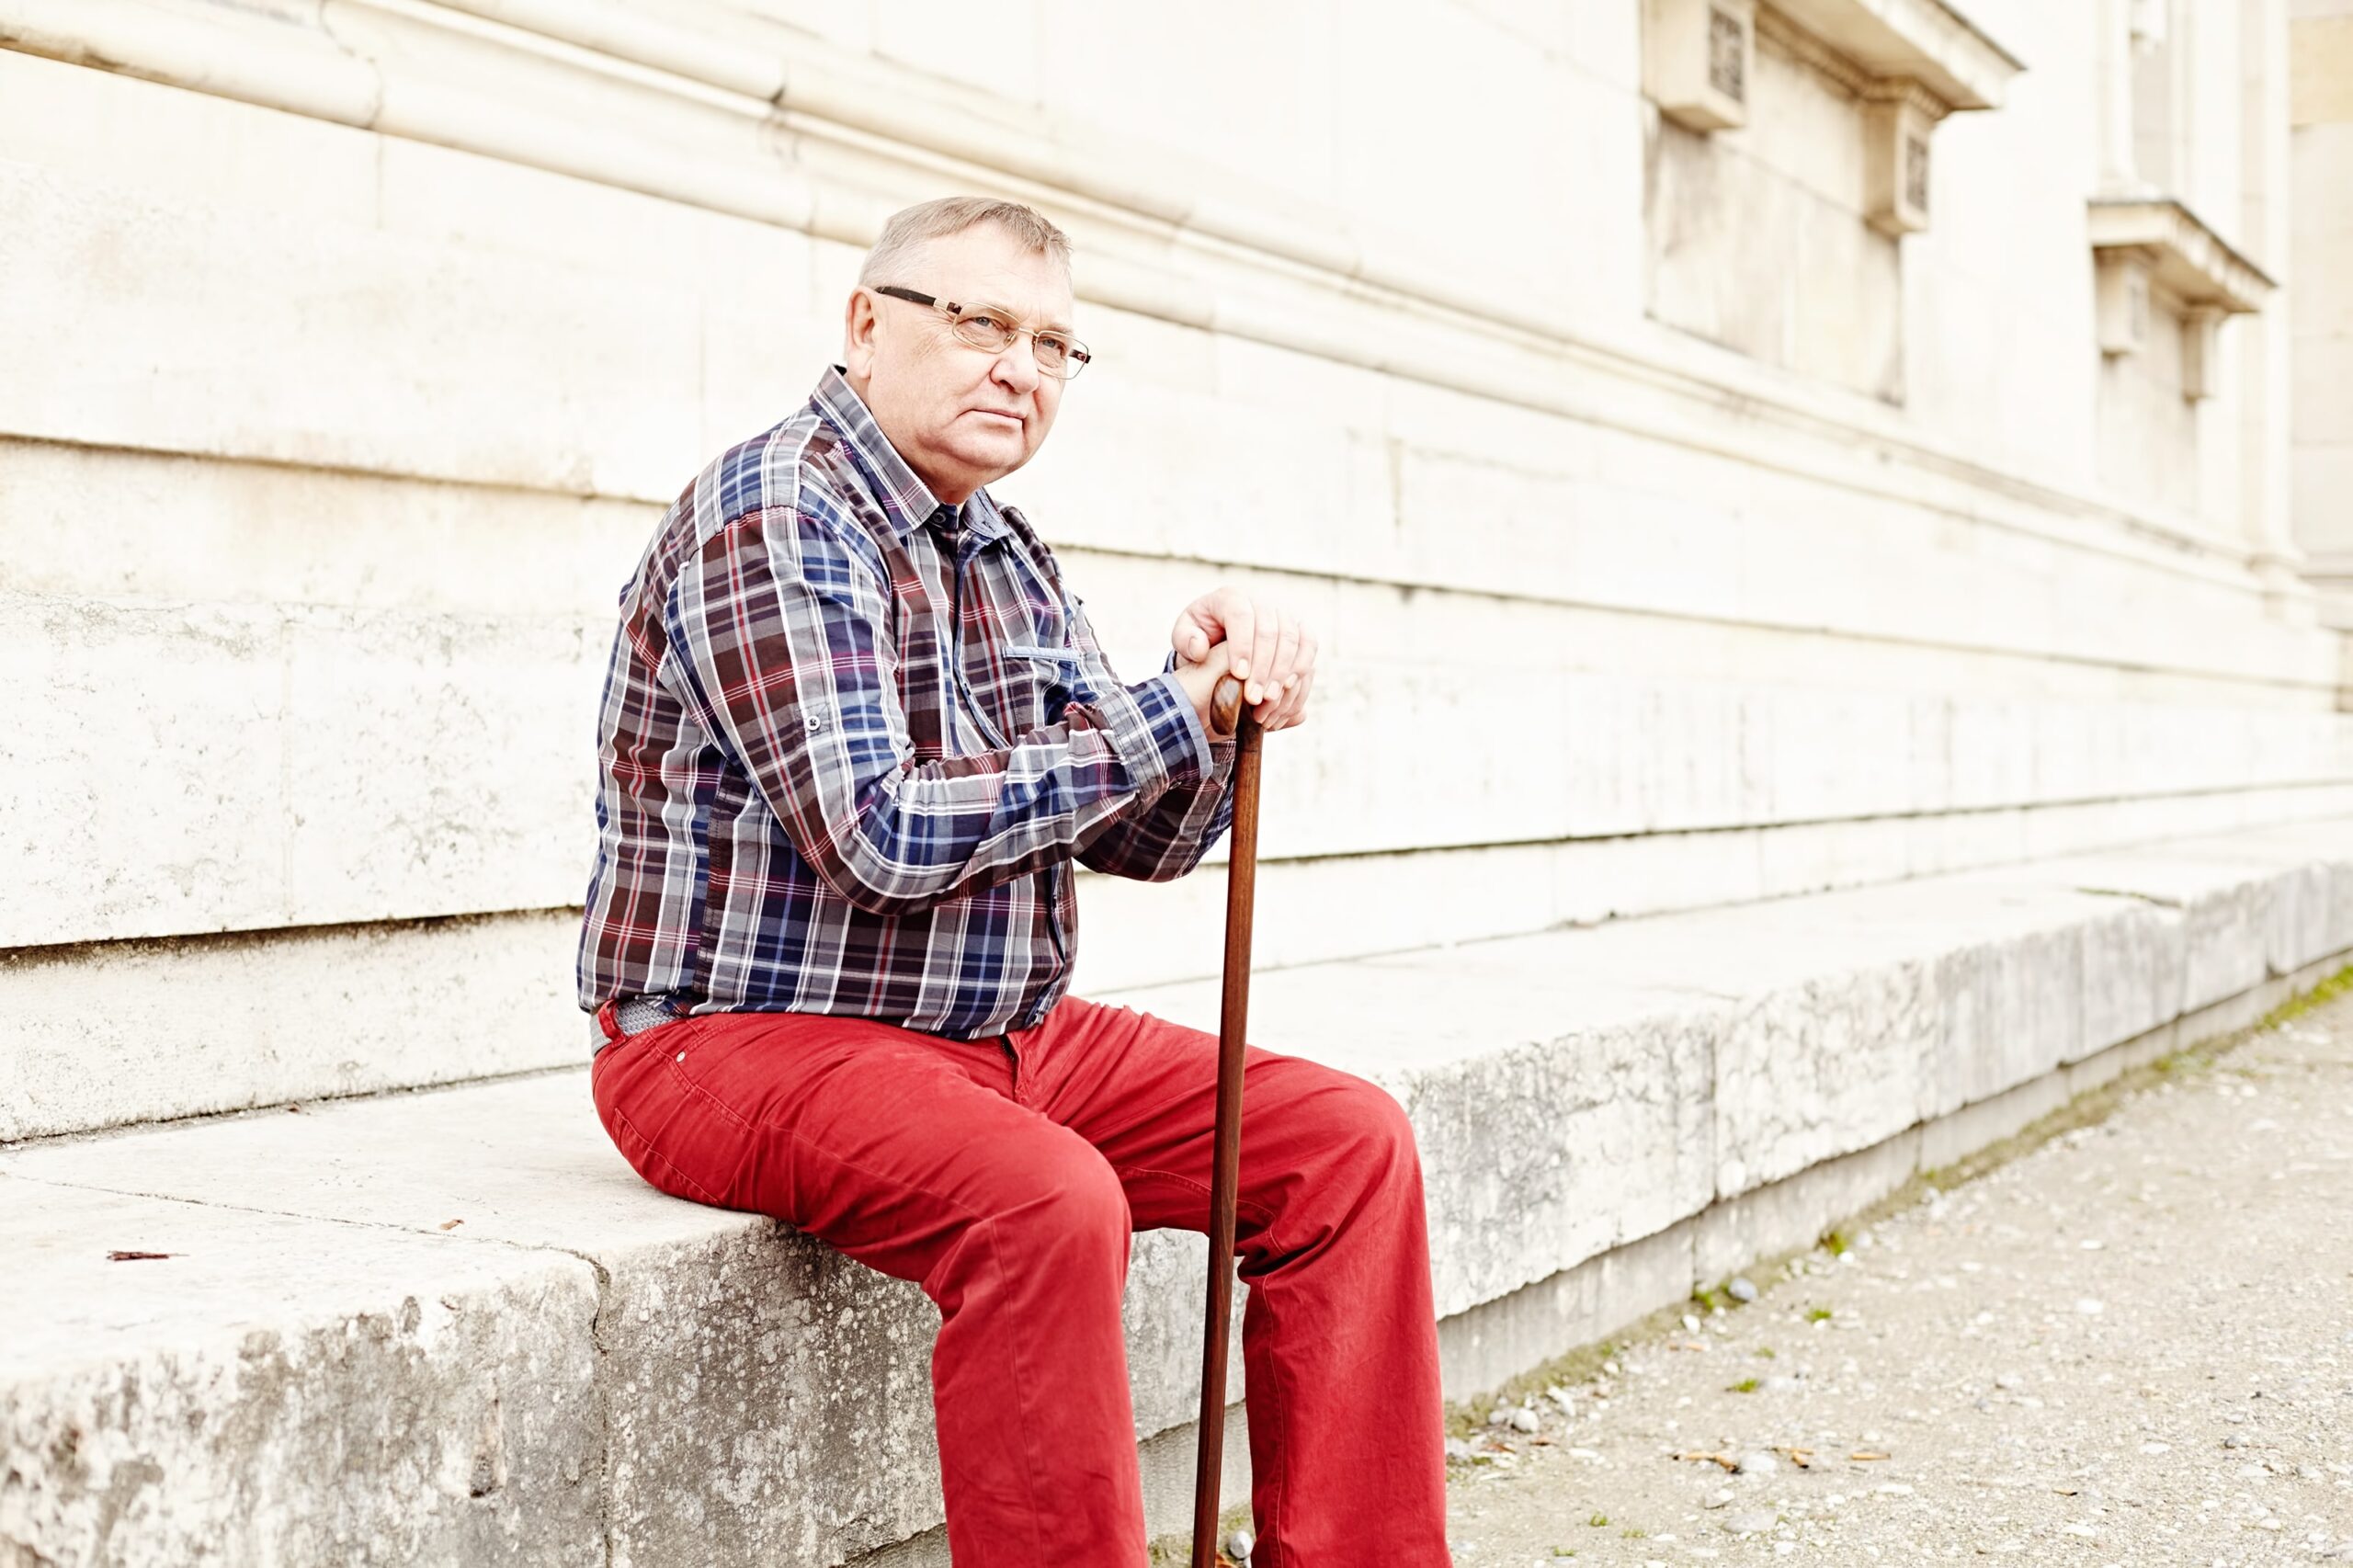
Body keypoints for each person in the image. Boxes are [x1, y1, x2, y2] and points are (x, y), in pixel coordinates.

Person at [576, 195, 1451, 1566]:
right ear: (867, 325)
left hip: (1001, 1039)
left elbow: (1136, 839)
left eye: (1054, 343)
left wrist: (1214, 715)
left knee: (1346, 1142)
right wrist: (1161, 712)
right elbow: (878, 831)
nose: (1020, 369)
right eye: (981, 321)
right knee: (1049, 1199)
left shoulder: (1005, 550)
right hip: (733, 1039)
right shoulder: (778, 513)